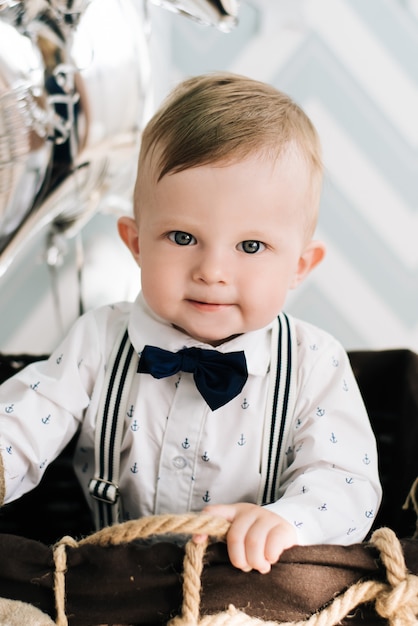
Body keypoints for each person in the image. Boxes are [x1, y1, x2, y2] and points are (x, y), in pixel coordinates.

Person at [0, 72, 381, 575]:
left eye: (250, 246)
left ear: (299, 267)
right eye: (182, 237)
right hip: (111, 585)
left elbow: (347, 480)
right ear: (136, 243)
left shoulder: (315, 364)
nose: (212, 272)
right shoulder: (100, 339)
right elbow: (29, 417)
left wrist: (290, 522)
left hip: (251, 588)